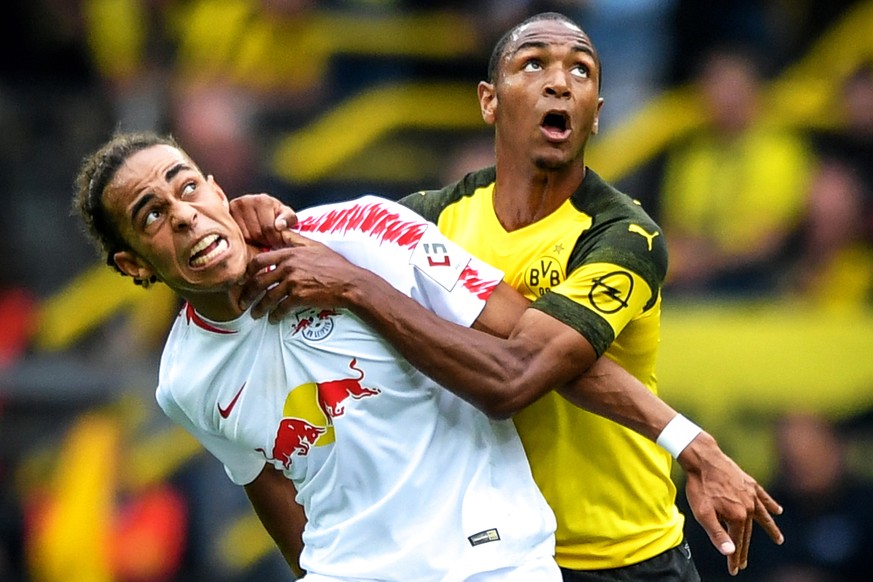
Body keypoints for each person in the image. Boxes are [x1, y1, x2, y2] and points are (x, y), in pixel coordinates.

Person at [232, 12, 784, 581]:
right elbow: (287, 243)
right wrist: (255, 216)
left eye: (581, 70)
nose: (560, 81)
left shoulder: (623, 235)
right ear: (489, 101)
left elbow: (514, 379)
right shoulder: (432, 220)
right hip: (489, 559)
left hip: (622, 556)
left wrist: (354, 285)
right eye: (534, 63)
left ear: (595, 113)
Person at [71, 131, 565, 581]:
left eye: (187, 189)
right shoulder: (183, 384)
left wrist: (353, 286)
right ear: (134, 264)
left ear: (218, 192)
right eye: (151, 215)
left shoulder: (361, 231)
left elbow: (526, 356)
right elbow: (287, 522)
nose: (182, 214)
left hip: (494, 564)